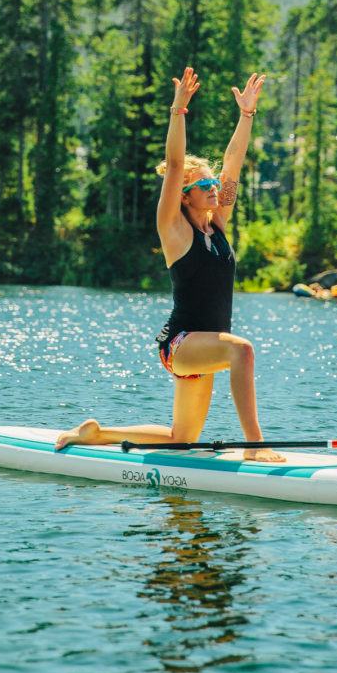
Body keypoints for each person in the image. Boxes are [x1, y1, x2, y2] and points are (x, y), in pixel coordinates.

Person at [55, 66, 284, 462]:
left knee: (181, 439)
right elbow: (175, 165)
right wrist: (178, 112)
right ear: (183, 196)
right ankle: (255, 448)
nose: (215, 189)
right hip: (181, 344)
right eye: (205, 186)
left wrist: (247, 116)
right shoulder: (174, 231)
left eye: (215, 185)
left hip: (206, 347)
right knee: (242, 352)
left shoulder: (219, 227)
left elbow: (233, 162)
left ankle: (95, 433)